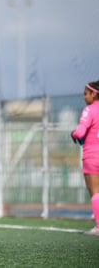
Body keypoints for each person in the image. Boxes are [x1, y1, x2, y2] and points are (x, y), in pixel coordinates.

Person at [72, 80, 99, 235]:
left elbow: (80, 132)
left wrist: (73, 133)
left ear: (93, 94)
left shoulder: (89, 110)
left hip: (92, 156)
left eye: (85, 93)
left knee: (95, 191)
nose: (84, 97)